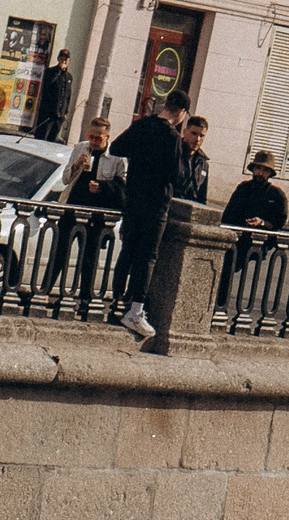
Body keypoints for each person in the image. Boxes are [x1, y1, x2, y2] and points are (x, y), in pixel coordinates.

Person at [109, 85, 188, 340]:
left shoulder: (142, 125)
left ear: (166, 105)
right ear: (182, 112)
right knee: (147, 257)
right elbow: (178, 176)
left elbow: (116, 148)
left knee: (128, 251)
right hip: (156, 205)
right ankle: (135, 311)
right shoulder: (172, 137)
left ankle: (115, 301)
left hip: (133, 200)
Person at [45, 115, 121, 298]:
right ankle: (44, 292)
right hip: (73, 207)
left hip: (95, 214)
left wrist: (102, 187)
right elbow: (66, 179)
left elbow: (122, 187)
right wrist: (76, 165)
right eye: (91, 136)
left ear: (107, 137)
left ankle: (85, 300)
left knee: (88, 259)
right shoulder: (81, 147)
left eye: (98, 138)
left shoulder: (116, 158)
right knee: (59, 253)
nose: (93, 141)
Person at [220, 149, 287, 229]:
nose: (260, 173)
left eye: (265, 170)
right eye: (258, 168)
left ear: (270, 173)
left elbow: (280, 221)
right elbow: (228, 215)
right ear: (253, 169)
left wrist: (262, 223)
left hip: (262, 235)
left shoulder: (277, 194)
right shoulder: (242, 188)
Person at [34, 49, 74, 143]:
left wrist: (65, 112)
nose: (64, 61)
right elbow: (48, 83)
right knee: (41, 137)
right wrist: (59, 70)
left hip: (59, 114)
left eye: (66, 59)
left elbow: (68, 96)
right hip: (47, 113)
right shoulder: (50, 71)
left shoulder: (69, 77)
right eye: (62, 59)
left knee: (52, 139)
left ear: (69, 61)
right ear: (58, 59)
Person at [175, 113, 211, 204]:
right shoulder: (174, 153)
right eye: (194, 133)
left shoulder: (203, 163)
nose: (197, 139)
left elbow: (202, 196)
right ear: (185, 132)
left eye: (201, 136)